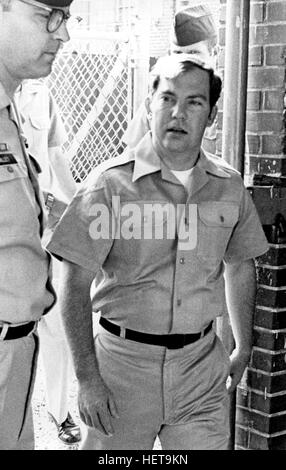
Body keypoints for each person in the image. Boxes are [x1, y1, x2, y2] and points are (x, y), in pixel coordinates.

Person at [47, 53, 269, 450]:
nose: (178, 113)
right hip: (121, 371)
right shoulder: (109, 186)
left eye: (194, 102)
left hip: (201, 371)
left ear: (211, 116)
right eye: (167, 98)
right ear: (149, 106)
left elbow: (240, 266)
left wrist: (243, 345)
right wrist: (87, 379)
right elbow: (74, 283)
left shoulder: (229, 187)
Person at [0, 0, 74, 450]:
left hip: (16, 355)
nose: (62, 34)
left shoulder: (12, 112)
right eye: (47, 15)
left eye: (65, 18)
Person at [14, 79, 81, 445]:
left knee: (57, 323)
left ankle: (59, 410)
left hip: (48, 218)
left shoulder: (41, 92)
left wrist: (79, 205)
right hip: (9, 227)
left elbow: (55, 154)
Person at [123, 4, 218, 153]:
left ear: (214, 53)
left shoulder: (230, 103)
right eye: (178, 54)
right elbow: (132, 156)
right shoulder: (158, 100)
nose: (186, 62)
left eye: (194, 53)